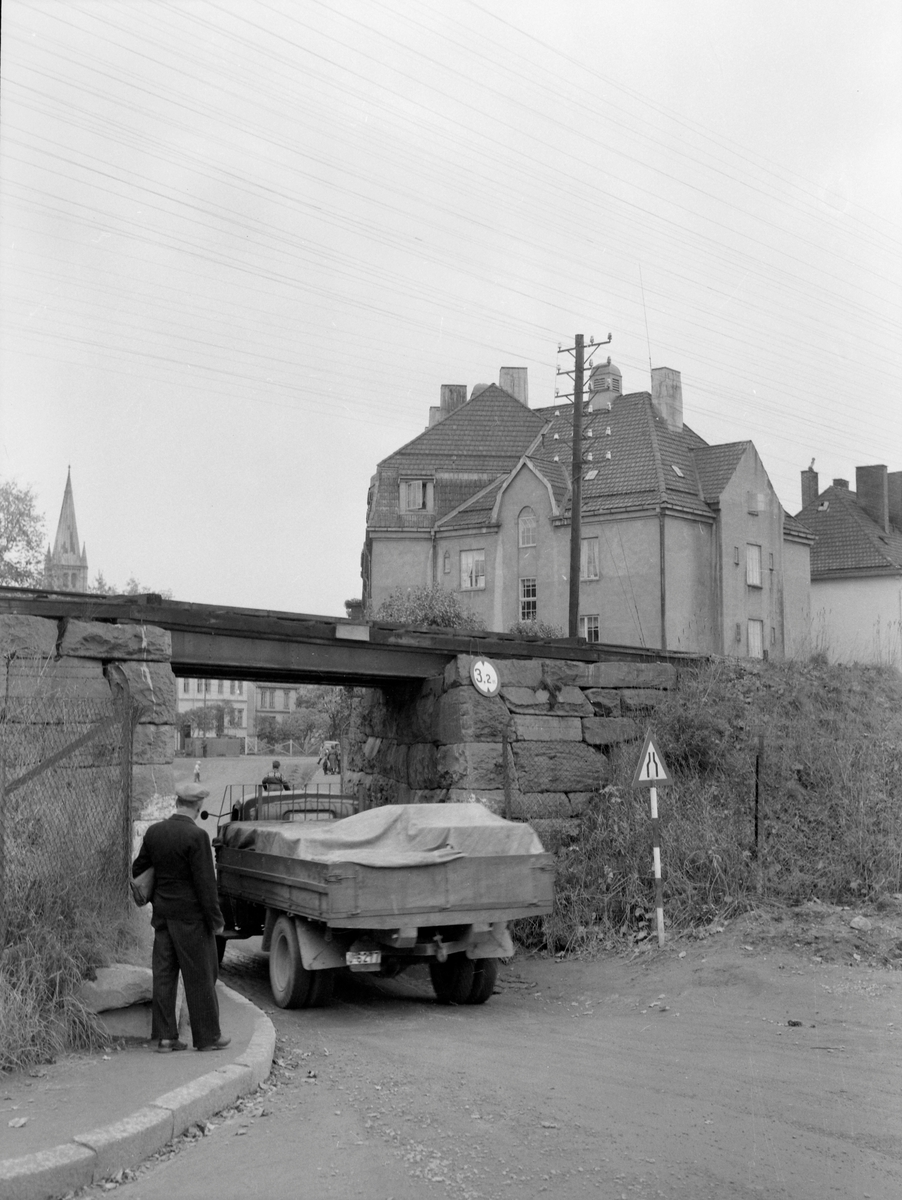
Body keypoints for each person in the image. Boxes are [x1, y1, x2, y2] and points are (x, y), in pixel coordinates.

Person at [131, 783, 230, 1054]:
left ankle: (164, 1038)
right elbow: (206, 885)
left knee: (164, 976)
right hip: (192, 921)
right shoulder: (196, 836)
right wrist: (216, 920)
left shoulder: (155, 832)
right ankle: (208, 1037)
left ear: (176, 802)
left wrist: (159, 897)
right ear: (197, 807)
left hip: (162, 916)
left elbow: (138, 870)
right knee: (200, 975)